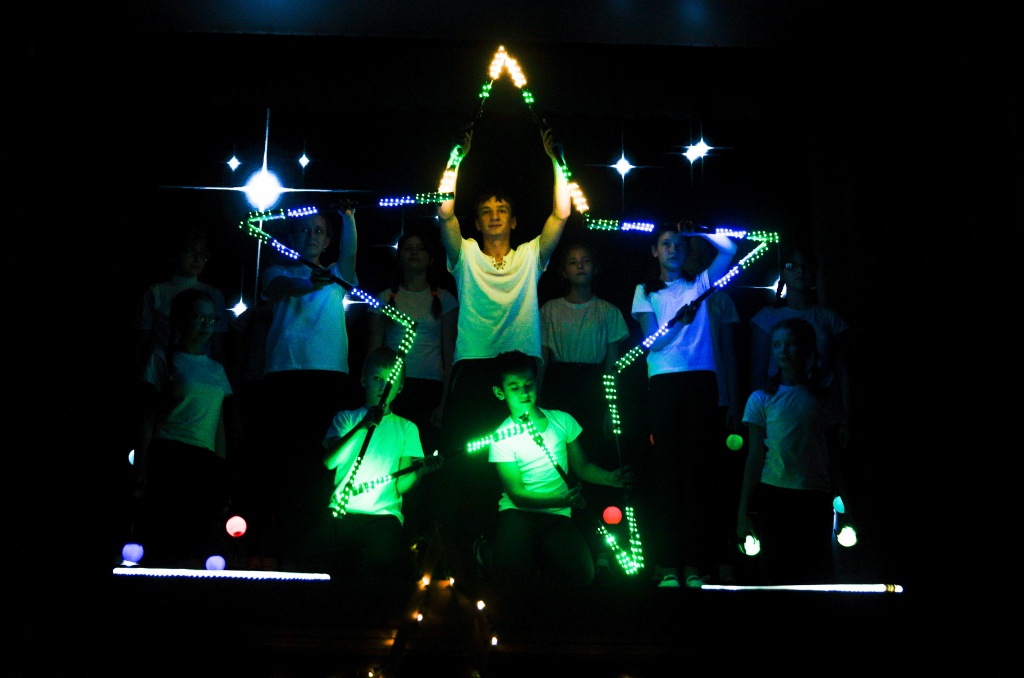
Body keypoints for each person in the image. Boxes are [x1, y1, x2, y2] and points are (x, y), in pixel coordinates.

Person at [433, 125, 571, 581]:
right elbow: (443, 212)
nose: (494, 216)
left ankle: (512, 555)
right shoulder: (466, 255)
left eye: (502, 210)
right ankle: (462, 556)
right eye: (486, 211)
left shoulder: (530, 256)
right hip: (474, 370)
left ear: (513, 221)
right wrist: (456, 159)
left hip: (519, 373)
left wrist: (556, 160)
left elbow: (562, 213)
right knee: (463, 464)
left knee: (520, 464)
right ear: (477, 222)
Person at [252, 201, 360, 569]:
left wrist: (348, 218)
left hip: (328, 377)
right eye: (304, 230)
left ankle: (314, 551)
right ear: (292, 236)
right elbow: (283, 286)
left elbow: (350, 256)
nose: (311, 235)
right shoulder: (277, 270)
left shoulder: (337, 274)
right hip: (284, 375)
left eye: (318, 231)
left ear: (328, 240)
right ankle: (280, 549)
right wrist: (308, 281)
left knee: (322, 462)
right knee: (284, 462)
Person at [630, 222, 737, 588]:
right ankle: (667, 566)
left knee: (696, 474)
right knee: (668, 474)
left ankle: (692, 566)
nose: (673, 249)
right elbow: (652, 342)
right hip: (663, 381)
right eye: (666, 243)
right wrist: (680, 321)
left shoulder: (700, 283)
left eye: (678, 243)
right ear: (654, 251)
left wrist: (701, 229)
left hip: (701, 379)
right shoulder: (644, 290)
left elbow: (729, 250)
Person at [296, 347, 444, 579]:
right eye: (376, 378)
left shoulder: (407, 428)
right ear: (363, 379)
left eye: (390, 381)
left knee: (380, 568)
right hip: (341, 513)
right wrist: (361, 427)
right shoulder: (346, 418)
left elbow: (400, 485)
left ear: (400, 387)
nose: (383, 386)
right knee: (306, 561)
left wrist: (419, 472)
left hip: (383, 518)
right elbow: (329, 461)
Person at [487, 351, 633, 587]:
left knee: (581, 574)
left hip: (558, 515)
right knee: (510, 573)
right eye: (515, 387)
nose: (524, 392)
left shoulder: (562, 421)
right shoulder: (501, 436)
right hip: (518, 513)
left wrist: (610, 478)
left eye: (529, 384)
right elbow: (516, 493)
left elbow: (582, 467)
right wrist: (562, 499)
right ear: (499, 392)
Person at [536, 239, 630, 573]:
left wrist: (609, 407)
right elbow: (543, 360)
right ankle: (561, 549)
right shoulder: (549, 310)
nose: (580, 266)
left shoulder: (609, 312)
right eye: (573, 261)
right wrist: (537, 401)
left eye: (586, 260)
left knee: (596, 463)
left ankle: (600, 550)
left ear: (595, 268)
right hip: (559, 390)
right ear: (563, 271)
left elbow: (612, 367)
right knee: (561, 465)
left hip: (593, 390)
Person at [366, 226, 458, 547]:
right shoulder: (384, 298)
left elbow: (450, 353)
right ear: (399, 256)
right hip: (392, 390)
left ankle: (420, 536)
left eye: (420, 248)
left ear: (431, 258)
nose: (414, 253)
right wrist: (372, 398)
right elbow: (373, 351)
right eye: (408, 248)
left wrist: (444, 401)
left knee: (422, 463)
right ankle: (389, 527)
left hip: (429, 390)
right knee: (391, 458)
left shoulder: (443, 299)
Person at [133, 288, 234, 568]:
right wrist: (141, 467)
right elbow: (148, 416)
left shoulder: (216, 369)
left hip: (204, 459)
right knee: (165, 536)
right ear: (180, 319)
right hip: (169, 453)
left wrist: (222, 469)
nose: (206, 325)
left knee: (196, 539)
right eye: (199, 317)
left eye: (211, 319)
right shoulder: (162, 358)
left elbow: (219, 425)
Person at [737, 317, 840, 585]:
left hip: (815, 494)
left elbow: (834, 455)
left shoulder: (822, 398)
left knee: (815, 573)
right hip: (775, 494)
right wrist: (743, 512)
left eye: (790, 344)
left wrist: (846, 506)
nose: (782, 350)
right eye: (777, 345)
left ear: (807, 349)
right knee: (776, 572)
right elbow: (754, 457)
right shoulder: (761, 398)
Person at [749, 244, 852, 452]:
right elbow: (758, 371)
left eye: (806, 266)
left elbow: (844, 369)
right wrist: (758, 418)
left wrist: (846, 418)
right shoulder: (767, 317)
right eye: (792, 265)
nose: (800, 271)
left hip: (824, 409)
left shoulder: (829, 318)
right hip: (781, 409)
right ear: (782, 272)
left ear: (814, 271)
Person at [682, 235, 743, 584]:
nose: (698, 257)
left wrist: (733, 400)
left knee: (719, 483)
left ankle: (723, 562)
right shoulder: (673, 293)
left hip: (717, 399)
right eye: (692, 251)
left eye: (704, 251)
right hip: (686, 397)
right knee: (690, 481)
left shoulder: (720, 299)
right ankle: (693, 562)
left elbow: (730, 353)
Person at [133, 226, 230, 373]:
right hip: (162, 368)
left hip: (200, 369)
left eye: (202, 254)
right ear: (173, 255)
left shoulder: (214, 294)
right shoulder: (155, 292)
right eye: (190, 252)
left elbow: (218, 344)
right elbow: (142, 340)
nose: (198, 258)